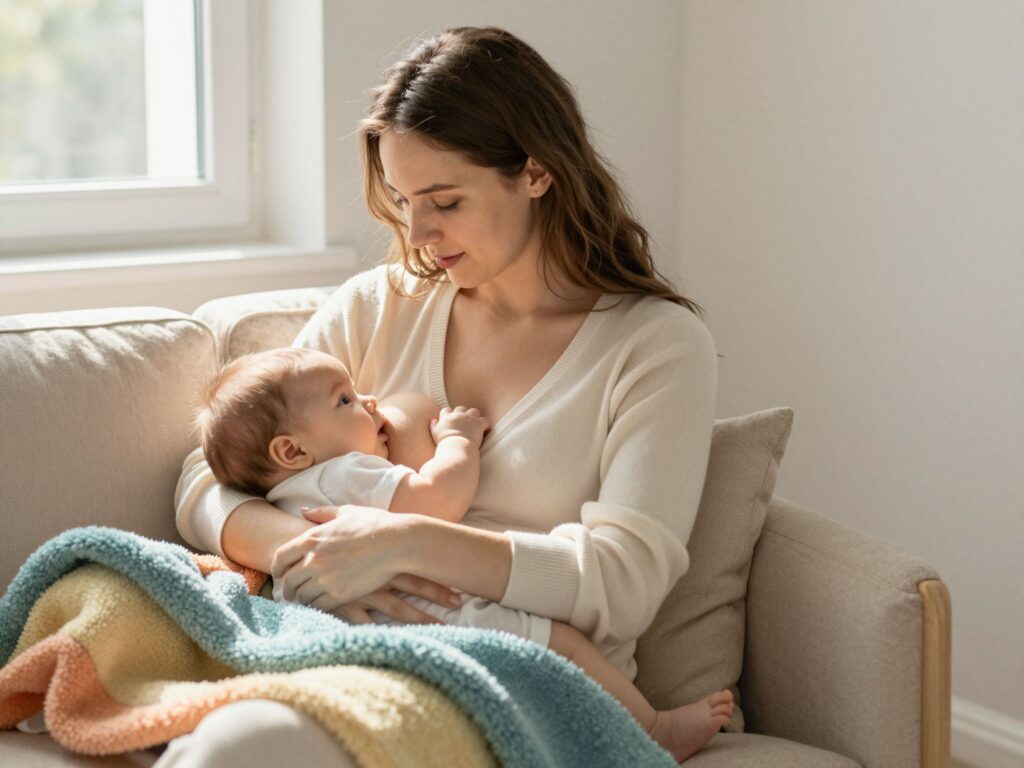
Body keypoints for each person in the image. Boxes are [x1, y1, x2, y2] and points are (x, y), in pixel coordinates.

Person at [167, 25, 720, 768]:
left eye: (444, 201)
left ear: (536, 172)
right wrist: (318, 555)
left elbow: (625, 582)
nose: (418, 233)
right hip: (347, 645)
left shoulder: (655, 346)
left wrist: (406, 543)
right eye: (403, 201)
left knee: (247, 744)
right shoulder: (381, 305)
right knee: (227, 737)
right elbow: (207, 477)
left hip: (526, 680)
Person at [193, 346, 734, 760]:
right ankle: (652, 731)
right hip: (440, 614)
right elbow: (435, 501)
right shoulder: (347, 473)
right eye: (346, 400)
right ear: (292, 449)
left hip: (361, 635)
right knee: (563, 645)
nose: (370, 402)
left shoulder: (283, 493)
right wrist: (457, 441)